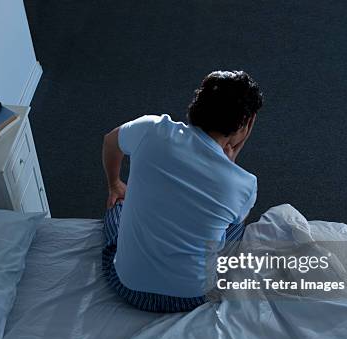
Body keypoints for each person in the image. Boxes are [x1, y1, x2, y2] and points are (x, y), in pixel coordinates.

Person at [101, 70, 263, 312]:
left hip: (128, 288)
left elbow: (110, 142)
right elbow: (230, 221)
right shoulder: (244, 184)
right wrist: (229, 166)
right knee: (235, 227)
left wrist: (114, 183)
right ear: (246, 124)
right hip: (194, 296)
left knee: (118, 208)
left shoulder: (151, 129)